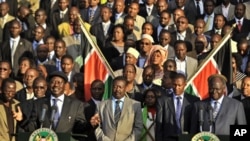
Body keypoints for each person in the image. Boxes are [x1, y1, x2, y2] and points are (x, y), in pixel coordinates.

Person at [25, 71, 90, 137]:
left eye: (59, 82)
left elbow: (79, 128)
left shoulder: (76, 104)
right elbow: (32, 127)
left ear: (65, 85)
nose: (56, 85)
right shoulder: (38, 103)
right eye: (53, 82)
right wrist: (22, 120)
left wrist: (90, 124)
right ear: (49, 84)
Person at [91, 76, 143, 141]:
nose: (117, 89)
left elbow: (138, 128)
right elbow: (97, 127)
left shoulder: (135, 105)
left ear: (125, 88)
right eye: (115, 87)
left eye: (120, 87)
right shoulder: (101, 105)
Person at [156, 73, 200, 141]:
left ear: (185, 84)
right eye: (174, 85)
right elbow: (159, 125)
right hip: (168, 138)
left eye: (179, 85)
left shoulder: (193, 101)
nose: (176, 88)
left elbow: (194, 124)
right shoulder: (162, 100)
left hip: (186, 138)